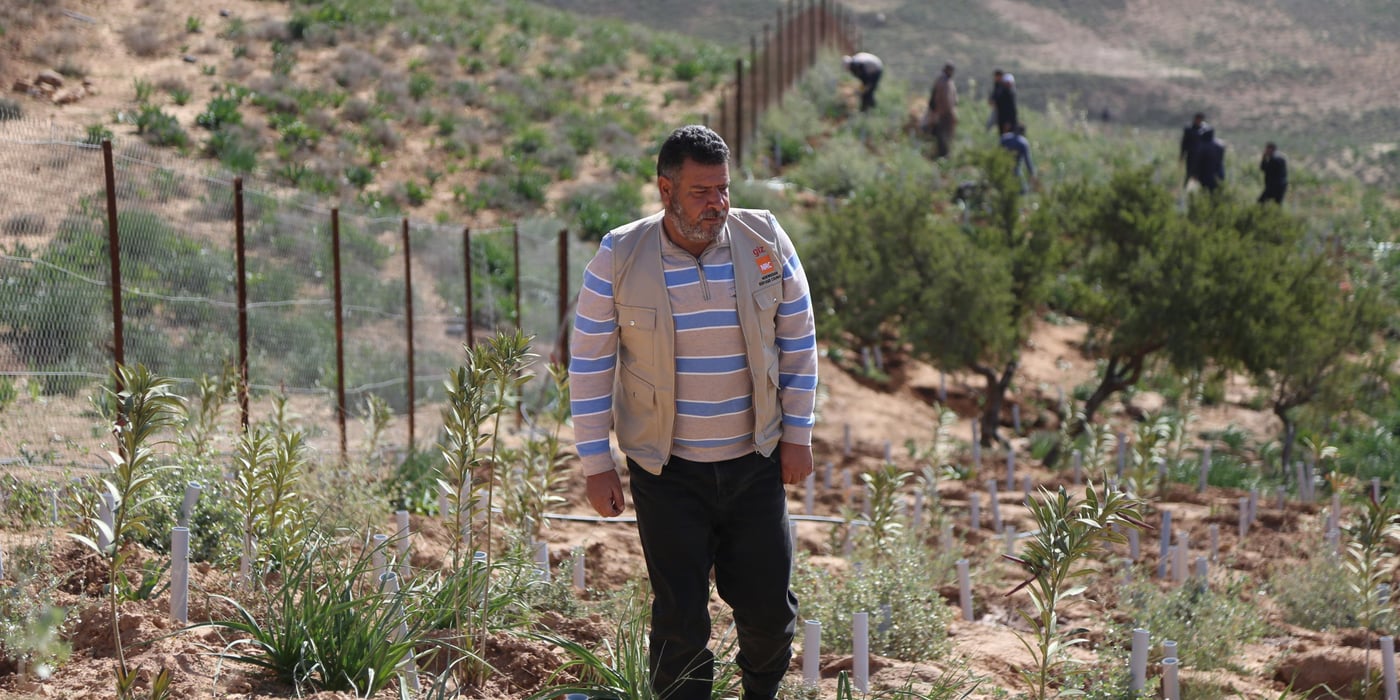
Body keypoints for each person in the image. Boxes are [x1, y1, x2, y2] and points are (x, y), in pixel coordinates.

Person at [568, 124, 818, 700]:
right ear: (665, 189)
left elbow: (798, 338)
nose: (718, 204)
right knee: (679, 622)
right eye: (702, 191)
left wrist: (798, 433)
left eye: (723, 189)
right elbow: (590, 361)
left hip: (754, 464)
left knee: (768, 615)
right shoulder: (619, 255)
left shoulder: (766, 240)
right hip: (666, 473)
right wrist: (595, 463)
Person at [925, 62, 958, 159]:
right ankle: (943, 155)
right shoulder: (943, 82)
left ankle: (942, 154)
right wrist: (950, 113)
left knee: (943, 134)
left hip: (943, 113)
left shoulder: (945, 81)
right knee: (942, 135)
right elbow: (945, 100)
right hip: (944, 113)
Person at [999, 124, 1036, 193]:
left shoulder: (1004, 138)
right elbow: (1027, 161)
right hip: (1015, 171)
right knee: (1023, 191)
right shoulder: (1023, 142)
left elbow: (997, 153)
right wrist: (1032, 173)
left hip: (1002, 169)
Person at [1192, 127, 1226, 192]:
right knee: (1217, 193)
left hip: (1205, 176)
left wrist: (1195, 174)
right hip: (1219, 174)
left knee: (1206, 193)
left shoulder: (1201, 147)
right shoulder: (1220, 145)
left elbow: (1197, 162)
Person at [1179, 112, 1209, 187]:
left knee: (1201, 174)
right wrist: (1182, 155)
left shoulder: (1206, 129)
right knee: (1189, 172)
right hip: (1191, 155)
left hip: (1202, 156)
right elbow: (1184, 143)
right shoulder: (1189, 129)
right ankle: (1185, 188)